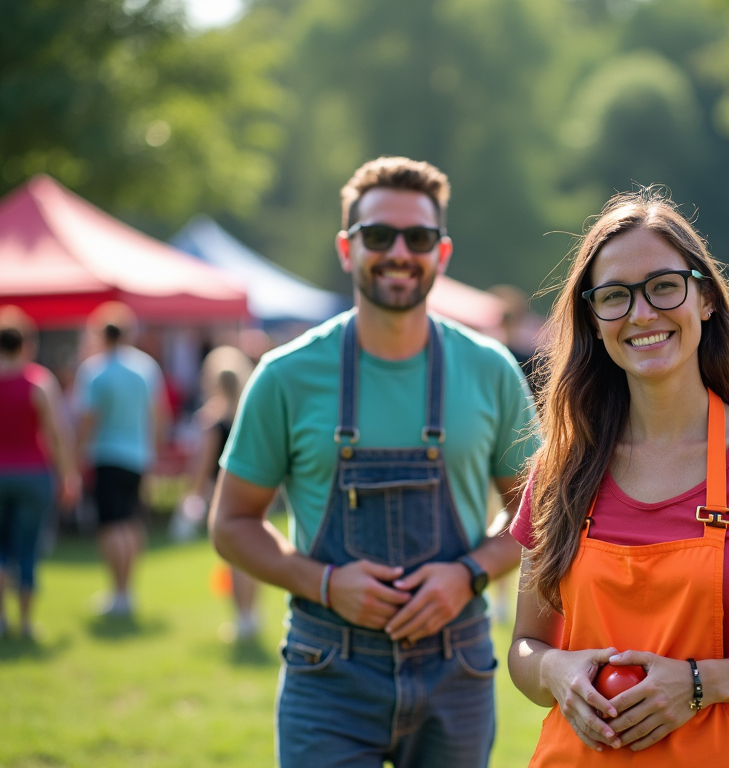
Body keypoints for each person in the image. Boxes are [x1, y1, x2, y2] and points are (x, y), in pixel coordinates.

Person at [507, 189, 729, 766]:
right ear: (593, 322)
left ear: (706, 299)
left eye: (663, 286)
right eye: (615, 297)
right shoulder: (560, 466)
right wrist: (552, 667)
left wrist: (700, 683)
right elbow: (525, 646)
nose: (642, 313)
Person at [210, 156, 537, 768]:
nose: (398, 252)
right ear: (346, 248)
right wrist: (325, 583)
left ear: (441, 253)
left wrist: (467, 573)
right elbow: (231, 523)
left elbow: (536, 512)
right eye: (378, 236)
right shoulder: (285, 376)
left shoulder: (490, 370)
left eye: (417, 238)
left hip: (458, 666)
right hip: (327, 670)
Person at [75, 302, 167, 618]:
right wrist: (153, 450)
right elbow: (159, 414)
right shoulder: (146, 368)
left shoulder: (94, 371)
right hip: (138, 455)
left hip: (106, 455)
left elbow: (88, 419)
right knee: (130, 523)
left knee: (112, 525)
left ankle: (119, 591)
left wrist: (77, 455)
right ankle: (126, 591)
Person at [0, 307, 80, 639]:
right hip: (34, 475)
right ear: (27, 344)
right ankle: (28, 622)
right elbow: (58, 433)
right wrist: (68, 475)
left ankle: (2, 621)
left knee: (2, 550)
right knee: (29, 549)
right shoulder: (38, 381)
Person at [183, 346, 260, 640]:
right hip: (253, 490)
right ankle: (250, 616)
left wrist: (191, 493)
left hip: (224, 493)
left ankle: (242, 619)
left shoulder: (212, 422)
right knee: (252, 555)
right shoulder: (248, 415)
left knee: (234, 559)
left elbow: (203, 464)